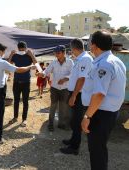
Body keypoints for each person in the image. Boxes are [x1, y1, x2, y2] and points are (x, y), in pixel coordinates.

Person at [81, 31, 126, 170]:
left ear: (94, 46)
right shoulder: (116, 60)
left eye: (90, 43)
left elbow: (99, 94)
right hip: (107, 112)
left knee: (96, 150)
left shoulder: (104, 65)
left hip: (100, 113)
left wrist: (87, 116)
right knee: (99, 148)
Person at [0, 43, 35, 146]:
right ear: (0, 51)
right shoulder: (1, 62)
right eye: (4, 52)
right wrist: (30, 66)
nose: (4, 54)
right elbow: (18, 69)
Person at [59, 38, 93, 155]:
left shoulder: (85, 59)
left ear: (73, 48)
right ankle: (73, 140)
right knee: (74, 120)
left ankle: (74, 147)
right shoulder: (79, 59)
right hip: (75, 93)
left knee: (76, 121)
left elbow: (82, 78)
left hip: (79, 95)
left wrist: (73, 95)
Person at [37, 45, 73, 131]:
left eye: (58, 53)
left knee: (63, 107)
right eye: (55, 53)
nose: (56, 55)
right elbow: (47, 71)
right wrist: (42, 74)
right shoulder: (53, 62)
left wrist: (65, 78)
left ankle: (61, 123)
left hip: (65, 89)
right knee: (53, 106)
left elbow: (73, 73)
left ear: (64, 53)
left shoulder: (70, 62)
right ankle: (51, 124)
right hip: (54, 88)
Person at [7, 41, 37, 127]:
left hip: (26, 82)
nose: (21, 50)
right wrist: (11, 54)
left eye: (23, 49)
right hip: (16, 81)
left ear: (26, 48)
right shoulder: (15, 55)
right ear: (18, 48)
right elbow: (8, 65)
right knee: (16, 101)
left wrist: (31, 54)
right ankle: (15, 117)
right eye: (20, 49)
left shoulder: (28, 55)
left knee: (25, 101)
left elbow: (36, 64)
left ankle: (24, 119)